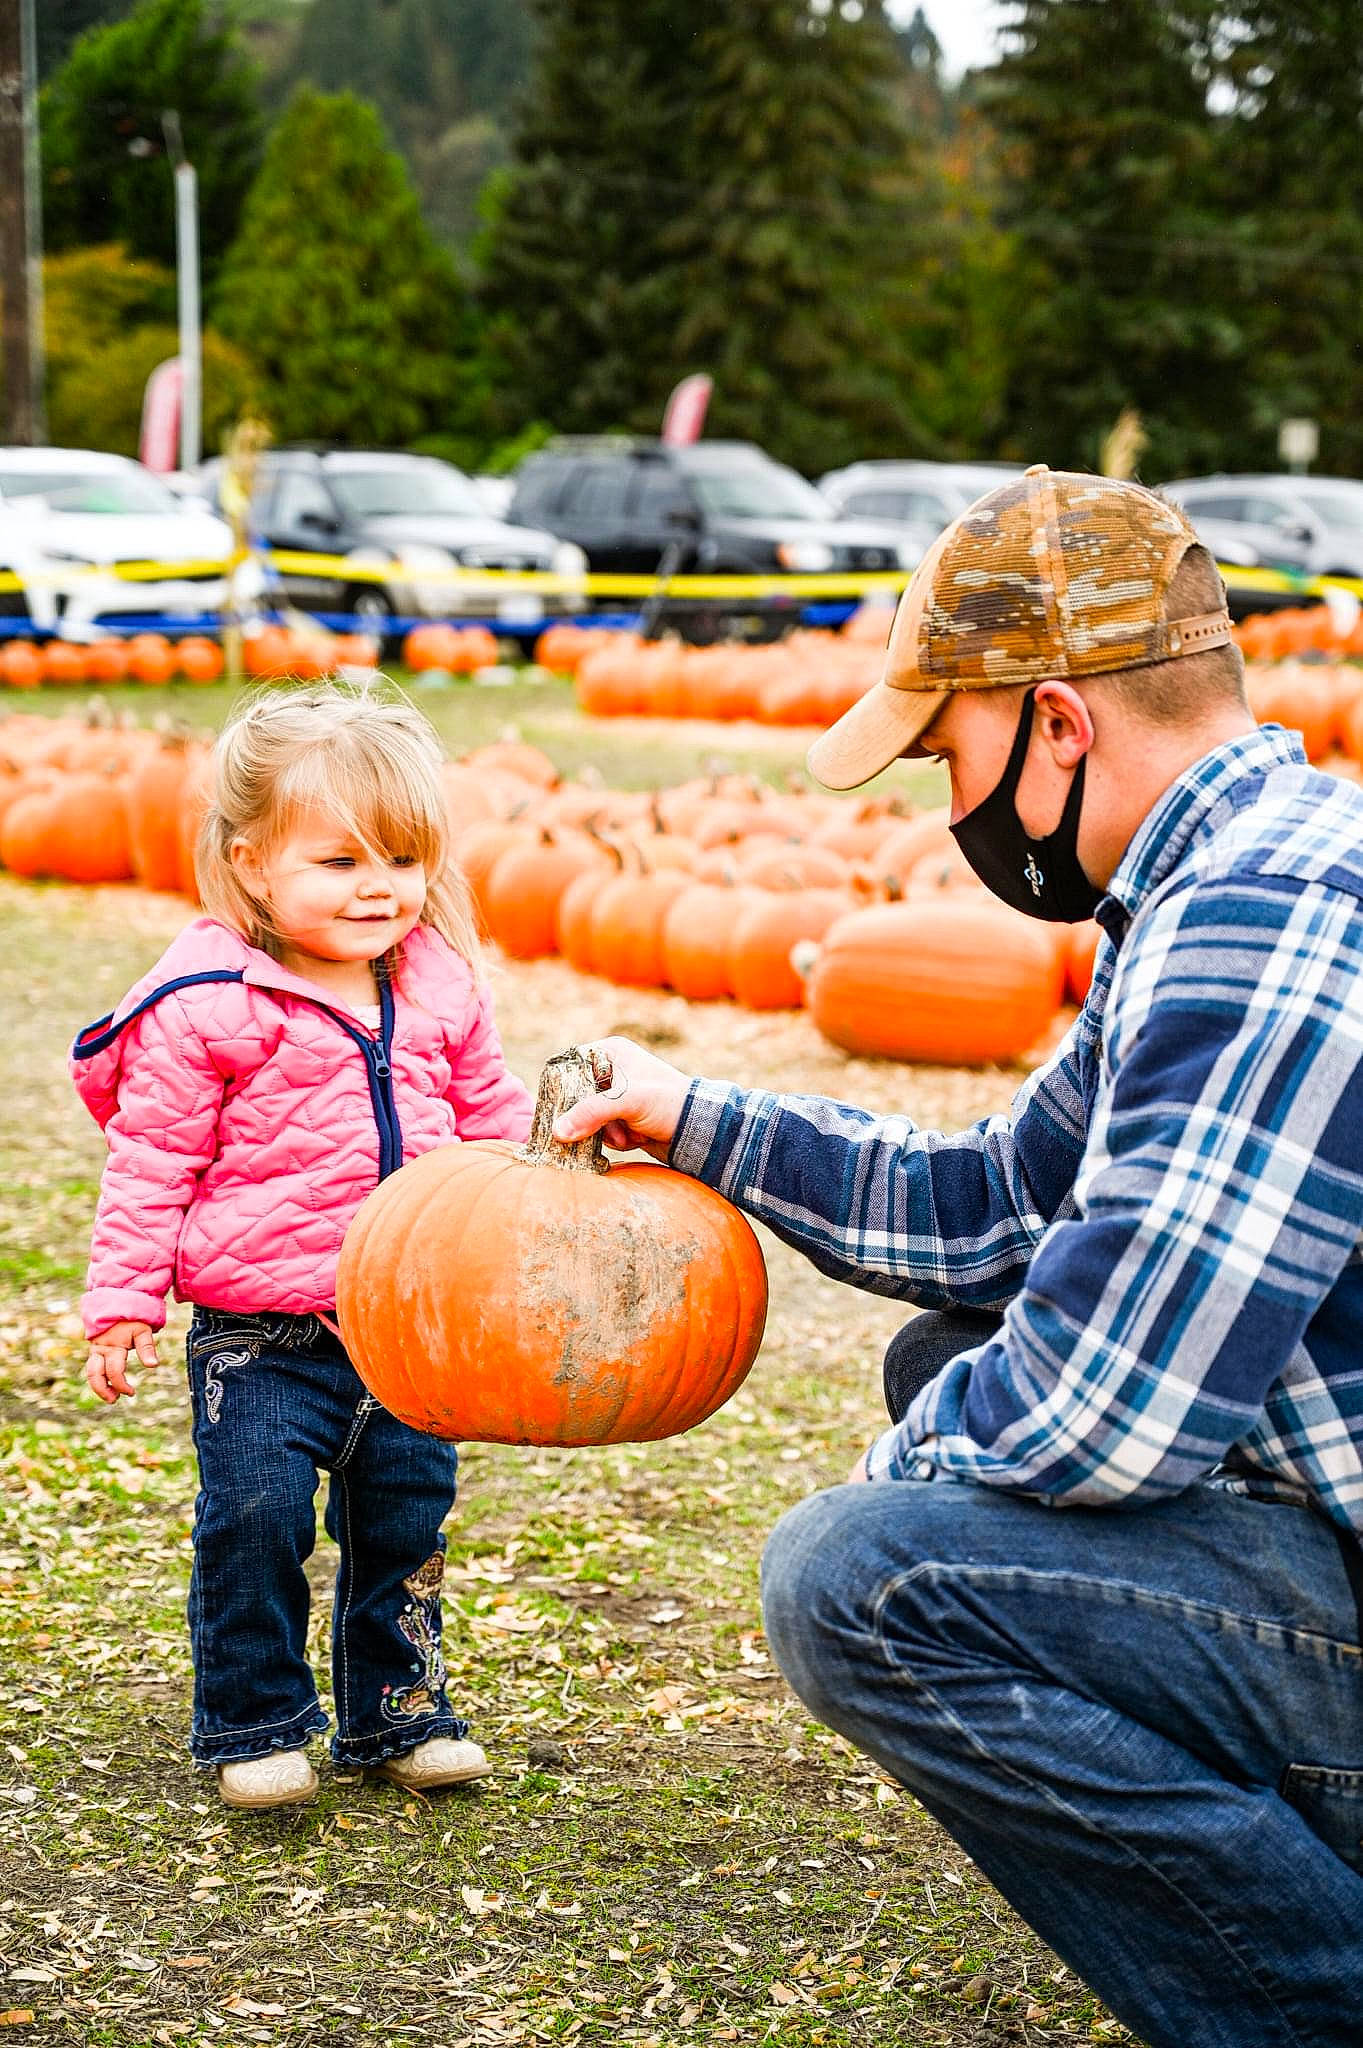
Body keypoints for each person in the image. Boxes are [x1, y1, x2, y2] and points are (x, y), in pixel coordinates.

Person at [552, 467, 1363, 2048]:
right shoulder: (1223, 869)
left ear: (1056, 724)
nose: (949, 807)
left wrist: (894, 1474)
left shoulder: (1269, 918)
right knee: (944, 1355)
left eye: (947, 752)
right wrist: (701, 1121)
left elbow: (1104, 1407)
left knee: (863, 1580)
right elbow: (1001, 1204)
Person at [71, 681, 533, 1811]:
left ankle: (399, 1711)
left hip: (411, 1331)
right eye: (340, 861)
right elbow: (150, 1162)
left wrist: (542, 1207)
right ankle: (255, 1717)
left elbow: (491, 1122)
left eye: (403, 858)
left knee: (404, 1523)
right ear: (250, 861)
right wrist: (122, 1298)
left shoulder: (437, 982)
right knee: (257, 1520)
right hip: (262, 1335)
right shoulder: (205, 1006)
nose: (380, 886)